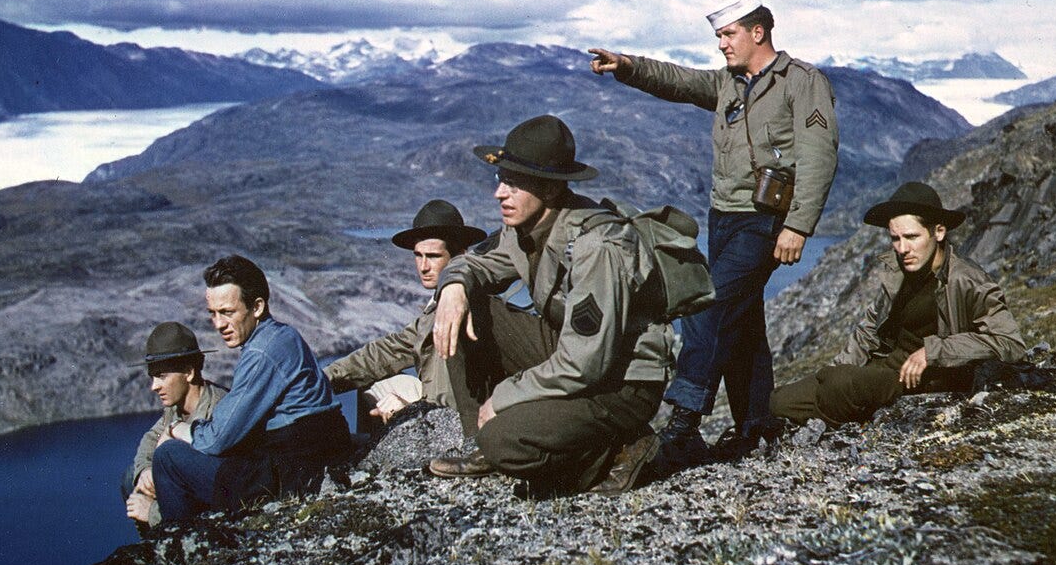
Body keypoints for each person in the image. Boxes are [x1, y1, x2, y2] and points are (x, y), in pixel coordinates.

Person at [588, 0, 839, 461]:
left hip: (765, 220)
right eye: (718, 36)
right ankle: (756, 427)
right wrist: (627, 66)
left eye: (728, 34)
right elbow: (679, 82)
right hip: (723, 218)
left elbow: (818, 156)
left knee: (709, 306)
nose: (721, 44)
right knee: (743, 321)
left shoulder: (801, 82)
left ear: (757, 32)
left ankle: (683, 424)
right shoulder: (729, 83)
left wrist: (799, 226)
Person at [430, 114, 681, 496]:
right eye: (501, 179)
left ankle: (622, 447)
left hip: (621, 383)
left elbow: (584, 364)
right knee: (467, 309)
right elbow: (478, 262)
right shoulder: (524, 228)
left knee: (505, 441)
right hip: (578, 356)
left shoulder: (595, 246)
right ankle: (479, 443)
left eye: (514, 183)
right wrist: (453, 287)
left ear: (549, 189)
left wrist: (504, 398)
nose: (499, 193)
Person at [770, 182, 1026, 426]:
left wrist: (933, 352)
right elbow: (869, 330)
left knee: (839, 384)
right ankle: (841, 403)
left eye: (912, 237)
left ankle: (842, 417)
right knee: (779, 401)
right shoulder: (898, 272)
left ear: (939, 232)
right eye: (895, 238)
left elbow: (1010, 343)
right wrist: (837, 367)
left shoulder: (967, 280)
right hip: (885, 367)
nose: (902, 249)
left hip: (925, 378)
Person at [150, 254, 350, 523]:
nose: (218, 324)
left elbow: (217, 439)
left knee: (168, 457)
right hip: (311, 456)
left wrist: (176, 430)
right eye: (212, 313)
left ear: (256, 307)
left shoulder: (261, 352)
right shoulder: (283, 334)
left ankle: (177, 539)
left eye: (227, 312)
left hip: (291, 474)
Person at [324, 199, 488, 435]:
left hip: (458, 420)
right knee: (372, 384)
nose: (423, 267)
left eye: (433, 256)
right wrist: (321, 379)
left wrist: (410, 409)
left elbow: (459, 397)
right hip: (433, 401)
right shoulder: (436, 307)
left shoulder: (469, 308)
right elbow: (387, 351)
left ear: (460, 256)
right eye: (418, 255)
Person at [123, 322, 228, 529]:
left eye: (162, 376)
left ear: (188, 372)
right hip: (192, 493)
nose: (154, 386)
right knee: (130, 477)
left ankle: (176, 537)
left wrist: (153, 513)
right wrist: (145, 471)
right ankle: (160, 542)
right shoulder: (175, 409)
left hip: (217, 501)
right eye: (152, 377)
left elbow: (215, 490)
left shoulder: (220, 409)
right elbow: (150, 439)